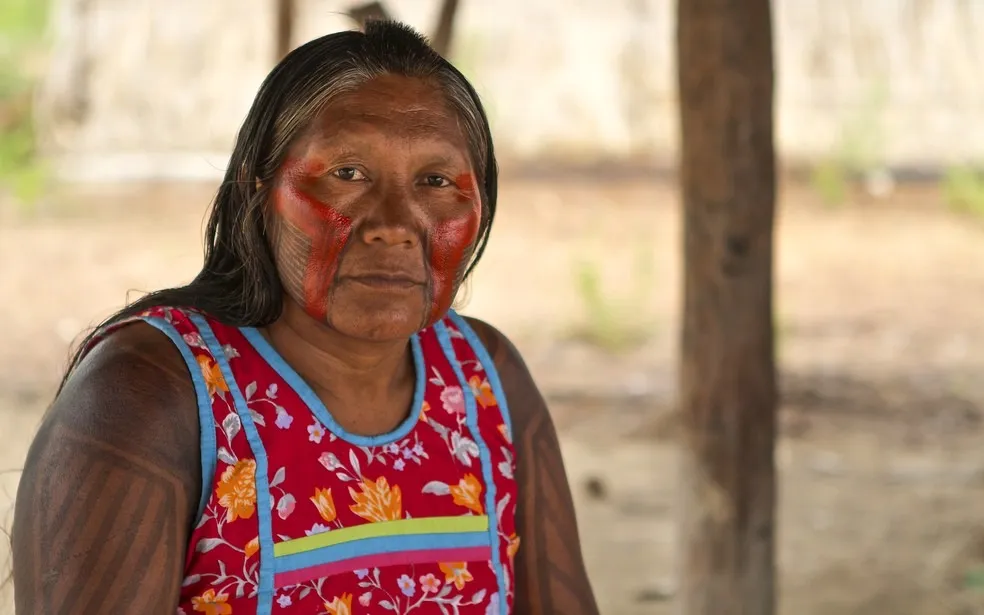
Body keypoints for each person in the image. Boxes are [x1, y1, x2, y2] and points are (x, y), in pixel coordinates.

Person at [11, 20, 599, 615]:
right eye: (347, 174)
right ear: (258, 192)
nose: (394, 223)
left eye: (436, 181)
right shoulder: (151, 396)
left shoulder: (484, 384)